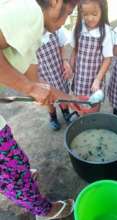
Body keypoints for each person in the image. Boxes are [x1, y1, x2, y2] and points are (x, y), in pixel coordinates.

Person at [0, 0, 78, 219]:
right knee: (10, 172)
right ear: (55, 2)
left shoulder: (34, 31)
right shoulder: (29, 11)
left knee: (14, 158)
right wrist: (29, 87)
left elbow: (35, 81)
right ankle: (44, 211)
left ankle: (21, 176)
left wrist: (72, 100)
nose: (64, 23)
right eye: (67, 13)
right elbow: (30, 85)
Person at [37, 1, 76, 130]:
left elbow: (62, 45)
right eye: (67, 13)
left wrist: (65, 61)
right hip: (42, 73)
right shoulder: (34, 33)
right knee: (49, 99)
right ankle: (52, 116)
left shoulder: (56, 29)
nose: (65, 21)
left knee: (62, 92)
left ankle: (66, 113)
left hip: (57, 69)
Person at [70, 0, 113, 112]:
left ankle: (93, 121)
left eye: (94, 14)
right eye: (85, 14)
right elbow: (75, 50)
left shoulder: (105, 31)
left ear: (102, 11)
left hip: (95, 78)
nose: (89, 18)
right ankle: (83, 119)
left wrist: (98, 79)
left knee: (94, 104)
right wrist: (70, 66)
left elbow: (107, 59)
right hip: (80, 77)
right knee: (81, 105)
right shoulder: (79, 27)